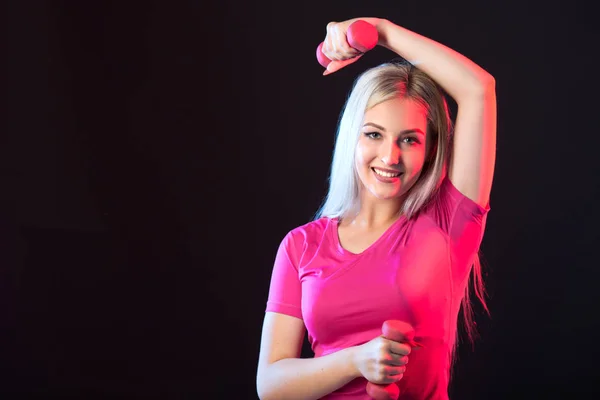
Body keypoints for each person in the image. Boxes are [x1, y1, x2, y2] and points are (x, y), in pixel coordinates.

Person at [256, 16, 496, 400]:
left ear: (432, 148)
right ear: (352, 137)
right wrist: (356, 360)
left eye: (409, 140)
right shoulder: (301, 246)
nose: (390, 156)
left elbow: (478, 89)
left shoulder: (449, 224)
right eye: (374, 134)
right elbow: (270, 385)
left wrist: (380, 31)